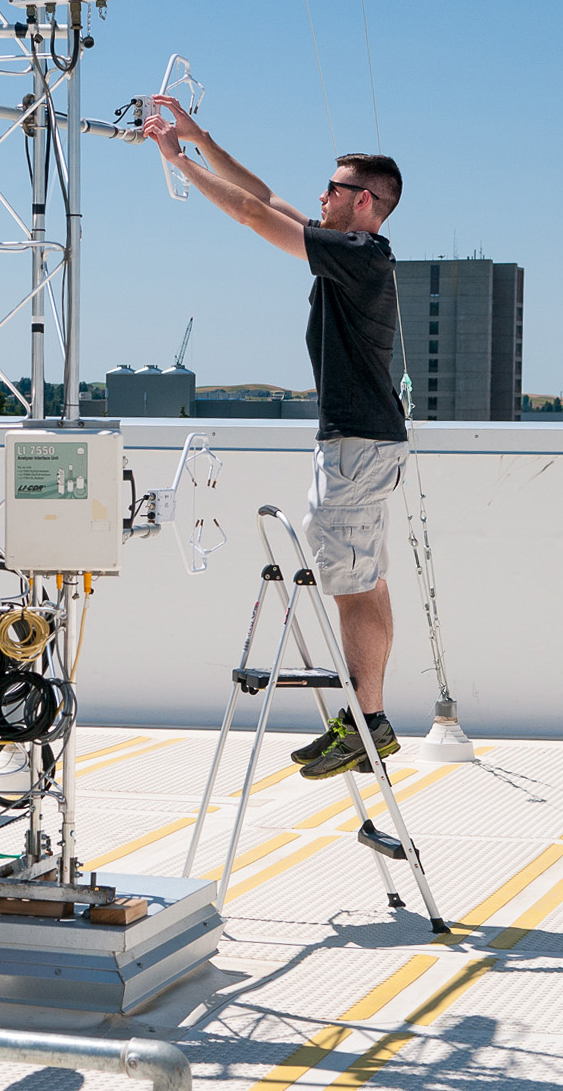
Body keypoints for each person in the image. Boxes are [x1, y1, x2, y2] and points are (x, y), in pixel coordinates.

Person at [145, 96, 406, 780]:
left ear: (366, 204)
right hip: (368, 442)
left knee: (349, 581)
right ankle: (368, 719)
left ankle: (365, 722)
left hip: (355, 444)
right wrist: (201, 138)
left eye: (337, 188)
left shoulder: (358, 254)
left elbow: (251, 215)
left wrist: (176, 162)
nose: (323, 195)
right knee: (363, 577)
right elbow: (266, 195)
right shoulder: (352, 252)